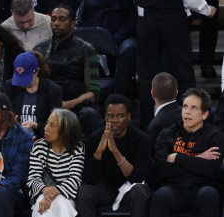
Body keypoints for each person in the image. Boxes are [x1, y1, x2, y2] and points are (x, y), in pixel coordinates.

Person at [148, 88, 224, 217]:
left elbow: (211, 169)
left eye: (193, 108)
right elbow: (162, 170)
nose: (187, 112)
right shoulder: (167, 134)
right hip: (174, 190)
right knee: (160, 196)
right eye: (185, 107)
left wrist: (177, 157)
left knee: (210, 195)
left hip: (203, 189)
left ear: (205, 114)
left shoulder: (214, 135)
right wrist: (198, 159)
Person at [75, 94, 152, 217]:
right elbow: (89, 178)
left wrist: (115, 151)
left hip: (130, 187)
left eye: (120, 115)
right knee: (84, 192)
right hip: (106, 187)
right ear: (105, 117)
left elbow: (136, 177)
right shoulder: (94, 139)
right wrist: (99, 152)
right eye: (110, 116)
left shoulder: (140, 139)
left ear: (128, 117)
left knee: (140, 192)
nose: (115, 120)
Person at [136, 0, 217, 129]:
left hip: (146, 16)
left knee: (147, 76)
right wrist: (205, 9)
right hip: (172, 15)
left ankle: (148, 127)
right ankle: (191, 125)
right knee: (183, 72)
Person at [27, 109, 84, 217]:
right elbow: (33, 178)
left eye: (52, 125)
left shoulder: (77, 147)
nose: (45, 128)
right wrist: (45, 190)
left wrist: (53, 194)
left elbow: (75, 179)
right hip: (41, 194)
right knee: (49, 203)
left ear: (65, 130)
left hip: (67, 195)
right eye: (47, 124)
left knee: (59, 202)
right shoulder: (39, 146)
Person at [33, 5, 102, 137]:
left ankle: (94, 156)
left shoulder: (87, 50)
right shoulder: (39, 49)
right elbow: (33, 82)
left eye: (62, 19)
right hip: (48, 101)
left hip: (75, 102)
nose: (56, 23)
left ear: (73, 24)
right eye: (53, 19)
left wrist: (67, 105)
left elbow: (93, 92)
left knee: (89, 114)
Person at [76, 0, 137, 97]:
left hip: (120, 38)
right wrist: (97, 36)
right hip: (94, 38)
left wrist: (116, 38)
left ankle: (118, 97)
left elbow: (133, 19)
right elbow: (79, 21)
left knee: (130, 48)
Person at [4, 51, 62, 140]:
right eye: (19, 78)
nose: (22, 83)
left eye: (25, 79)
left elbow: (57, 124)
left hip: (42, 140)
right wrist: (10, 122)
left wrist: (36, 125)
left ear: (36, 72)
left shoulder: (53, 90)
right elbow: (5, 114)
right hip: (16, 139)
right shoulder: (10, 86)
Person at [146, 72, 181, 153]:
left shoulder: (155, 126)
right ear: (176, 92)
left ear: (152, 94)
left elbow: (150, 156)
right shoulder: (189, 115)